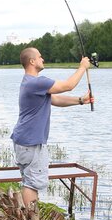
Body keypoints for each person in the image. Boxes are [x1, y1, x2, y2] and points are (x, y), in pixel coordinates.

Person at [11, 48, 93, 207]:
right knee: (32, 183)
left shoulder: (31, 83)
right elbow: (68, 85)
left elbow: (55, 99)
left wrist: (81, 100)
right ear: (32, 62)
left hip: (25, 140)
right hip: (31, 142)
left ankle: (29, 219)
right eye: (40, 57)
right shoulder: (36, 82)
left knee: (30, 180)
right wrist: (83, 66)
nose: (43, 59)